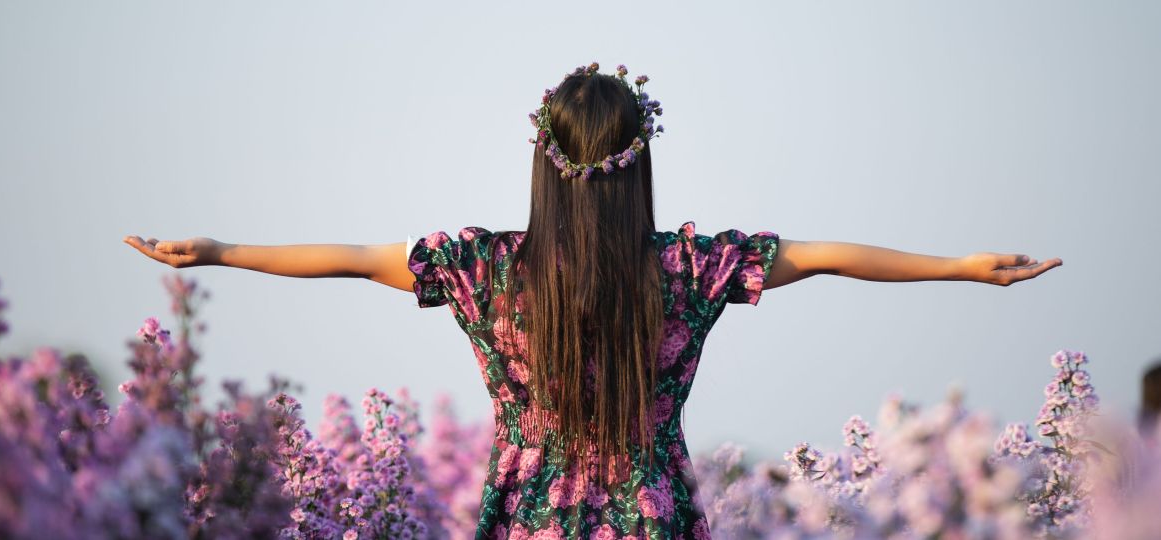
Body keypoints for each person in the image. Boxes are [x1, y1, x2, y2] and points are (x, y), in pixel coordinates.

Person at [123, 63, 1062, 539]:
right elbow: (821, 256)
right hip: (652, 519)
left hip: (524, 519)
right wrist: (962, 266)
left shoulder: (486, 270)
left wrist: (218, 252)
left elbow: (351, 258)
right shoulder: (687, 270)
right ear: (637, 162)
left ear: (543, 160)